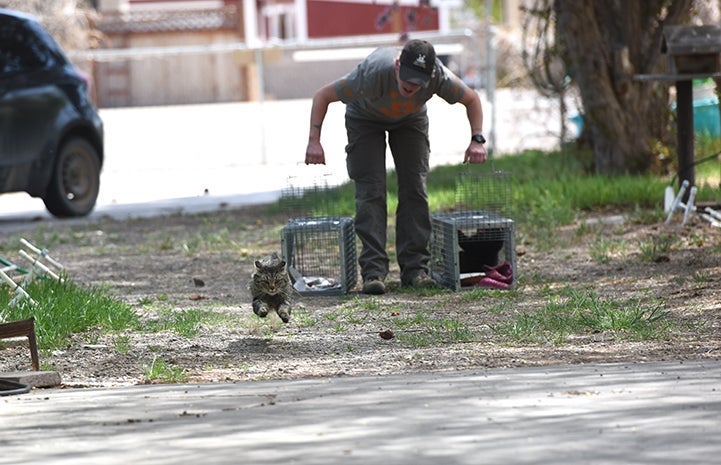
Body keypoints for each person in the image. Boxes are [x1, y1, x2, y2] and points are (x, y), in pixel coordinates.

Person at [305, 39, 487, 295]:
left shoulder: (439, 77)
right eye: (408, 78)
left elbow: (472, 99)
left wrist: (477, 139)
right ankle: (373, 272)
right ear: (397, 65)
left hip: (410, 121)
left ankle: (415, 270)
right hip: (364, 119)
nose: (412, 86)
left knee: (415, 189)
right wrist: (314, 141)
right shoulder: (372, 73)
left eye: (419, 81)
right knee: (371, 191)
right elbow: (323, 96)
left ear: (431, 73)